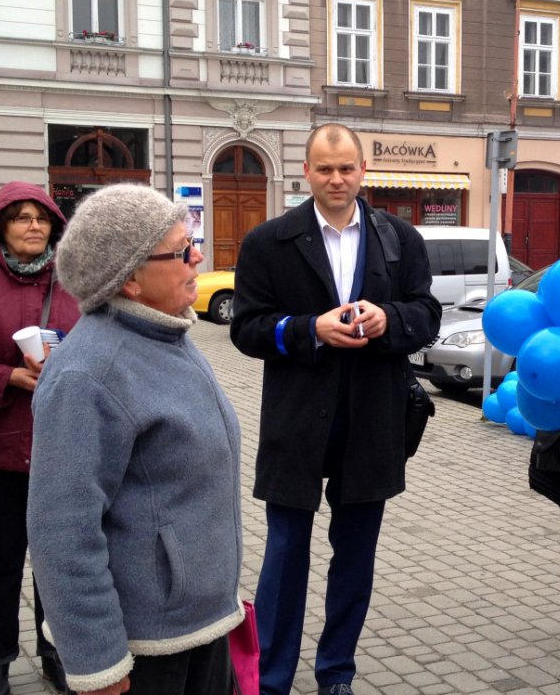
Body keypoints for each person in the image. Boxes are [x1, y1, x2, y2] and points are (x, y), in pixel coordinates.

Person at [230, 123, 442, 695]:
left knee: (354, 560)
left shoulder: (399, 238)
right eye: (325, 169)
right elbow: (246, 330)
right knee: (284, 557)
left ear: (362, 170)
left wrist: (388, 320)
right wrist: (308, 329)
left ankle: (336, 674)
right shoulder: (268, 241)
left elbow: (427, 313)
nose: (336, 179)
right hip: (296, 424)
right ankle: (271, 679)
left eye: (346, 168)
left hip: (372, 424)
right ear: (307, 172)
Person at [26, 184, 244, 695]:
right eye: (181, 250)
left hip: (199, 627)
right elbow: (62, 531)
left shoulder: (167, 335)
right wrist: (97, 662)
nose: (198, 258)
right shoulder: (87, 374)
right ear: (129, 281)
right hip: (143, 651)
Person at [0, 182, 80, 695]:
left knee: (60, 567)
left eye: (41, 218)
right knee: (0, 566)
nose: (33, 226)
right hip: (1, 449)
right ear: (2, 225)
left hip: (62, 448)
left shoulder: (70, 279)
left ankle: (58, 654)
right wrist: (7, 378)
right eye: (21, 217)